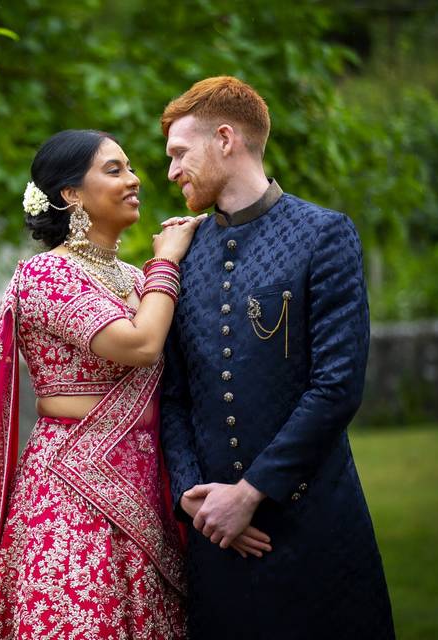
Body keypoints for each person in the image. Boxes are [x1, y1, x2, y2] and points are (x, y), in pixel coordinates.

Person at [0, 129, 270, 640]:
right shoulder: (46, 274)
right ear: (71, 195)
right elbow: (139, 344)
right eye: (114, 170)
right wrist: (168, 261)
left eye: (129, 168)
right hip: (70, 495)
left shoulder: (133, 279)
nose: (135, 180)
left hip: (146, 485)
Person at [159, 76, 395, 639]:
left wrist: (250, 493)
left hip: (315, 527)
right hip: (216, 539)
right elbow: (171, 396)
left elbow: (336, 386)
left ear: (225, 139)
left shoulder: (324, 235)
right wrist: (197, 499)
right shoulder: (181, 254)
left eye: (179, 153)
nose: (170, 172)